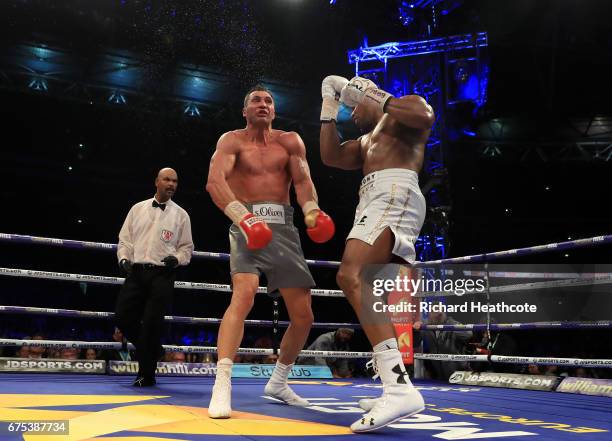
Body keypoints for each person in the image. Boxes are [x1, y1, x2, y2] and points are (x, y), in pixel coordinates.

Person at [205, 85, 335, 418]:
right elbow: (215, 182)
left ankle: (278, 381)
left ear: (274, 111)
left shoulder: (290, 141)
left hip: (284, 227)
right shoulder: (231, 140)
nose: (263, 104)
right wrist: (244, 219)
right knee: (244, 295)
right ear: (244, 111)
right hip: (244, 222)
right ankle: (222, 382)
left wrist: (311, 212)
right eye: (255, 100)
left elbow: (303, 182)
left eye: (268, 101)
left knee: (304, 315)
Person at [319, 75, 435, 431]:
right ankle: (395, 383)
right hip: (374, 200)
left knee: (349, 275)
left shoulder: (400, 114)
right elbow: (330, 156)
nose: (351, 112)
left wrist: (373, 95)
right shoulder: (364, 141)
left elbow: (426, 115)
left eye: (354, 105)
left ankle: (398, 389)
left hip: (393, 192)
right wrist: (328, 106)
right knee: (373, 294)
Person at [115, 167, 194, 387]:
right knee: (123, 317)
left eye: (175, 181)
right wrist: (123, 258)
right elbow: (125, 240)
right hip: (137, 271)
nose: (172, 184)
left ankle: (146, 375)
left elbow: (187, 248)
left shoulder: (181, 215)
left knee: (151, 324)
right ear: (157, 182)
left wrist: (177, 259)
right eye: (167, 180)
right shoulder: (137, 209)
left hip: (162, 274)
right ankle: (154, 350)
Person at [413, 308, 473, 380]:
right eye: (433, 312)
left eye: (439, 311)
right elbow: (415, 344)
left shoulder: (451, 323)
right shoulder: (426, 326)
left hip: (458, 369)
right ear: (429, 313)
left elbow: (468, 334)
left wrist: (450, 326)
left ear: (443, 313)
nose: (437, 314)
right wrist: (415, 331)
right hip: (438, 371)